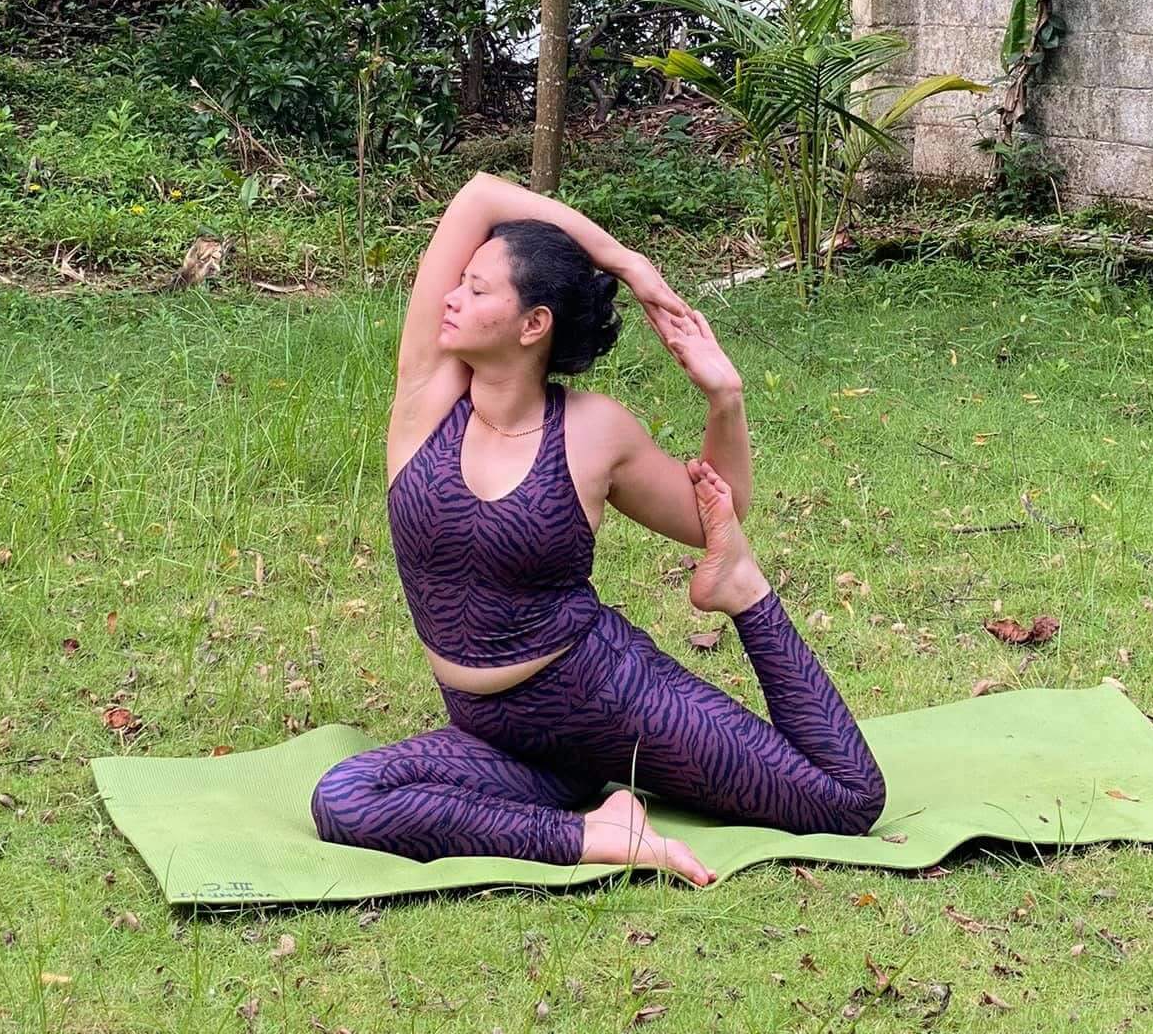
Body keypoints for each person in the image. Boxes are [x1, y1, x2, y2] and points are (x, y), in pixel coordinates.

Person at [309, 170, 886, 885]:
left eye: (478, 289)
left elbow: (717, 511)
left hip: (606, 696)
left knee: (847, 801)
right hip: (500, 738)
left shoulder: (593, 431)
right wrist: (628, 263)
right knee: (345, 798)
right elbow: (481, 195)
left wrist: (725, 398)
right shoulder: (426, 397)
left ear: (533, 324)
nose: (451, 298)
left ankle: (745, 591)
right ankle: (593, 831)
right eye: (459, 283)